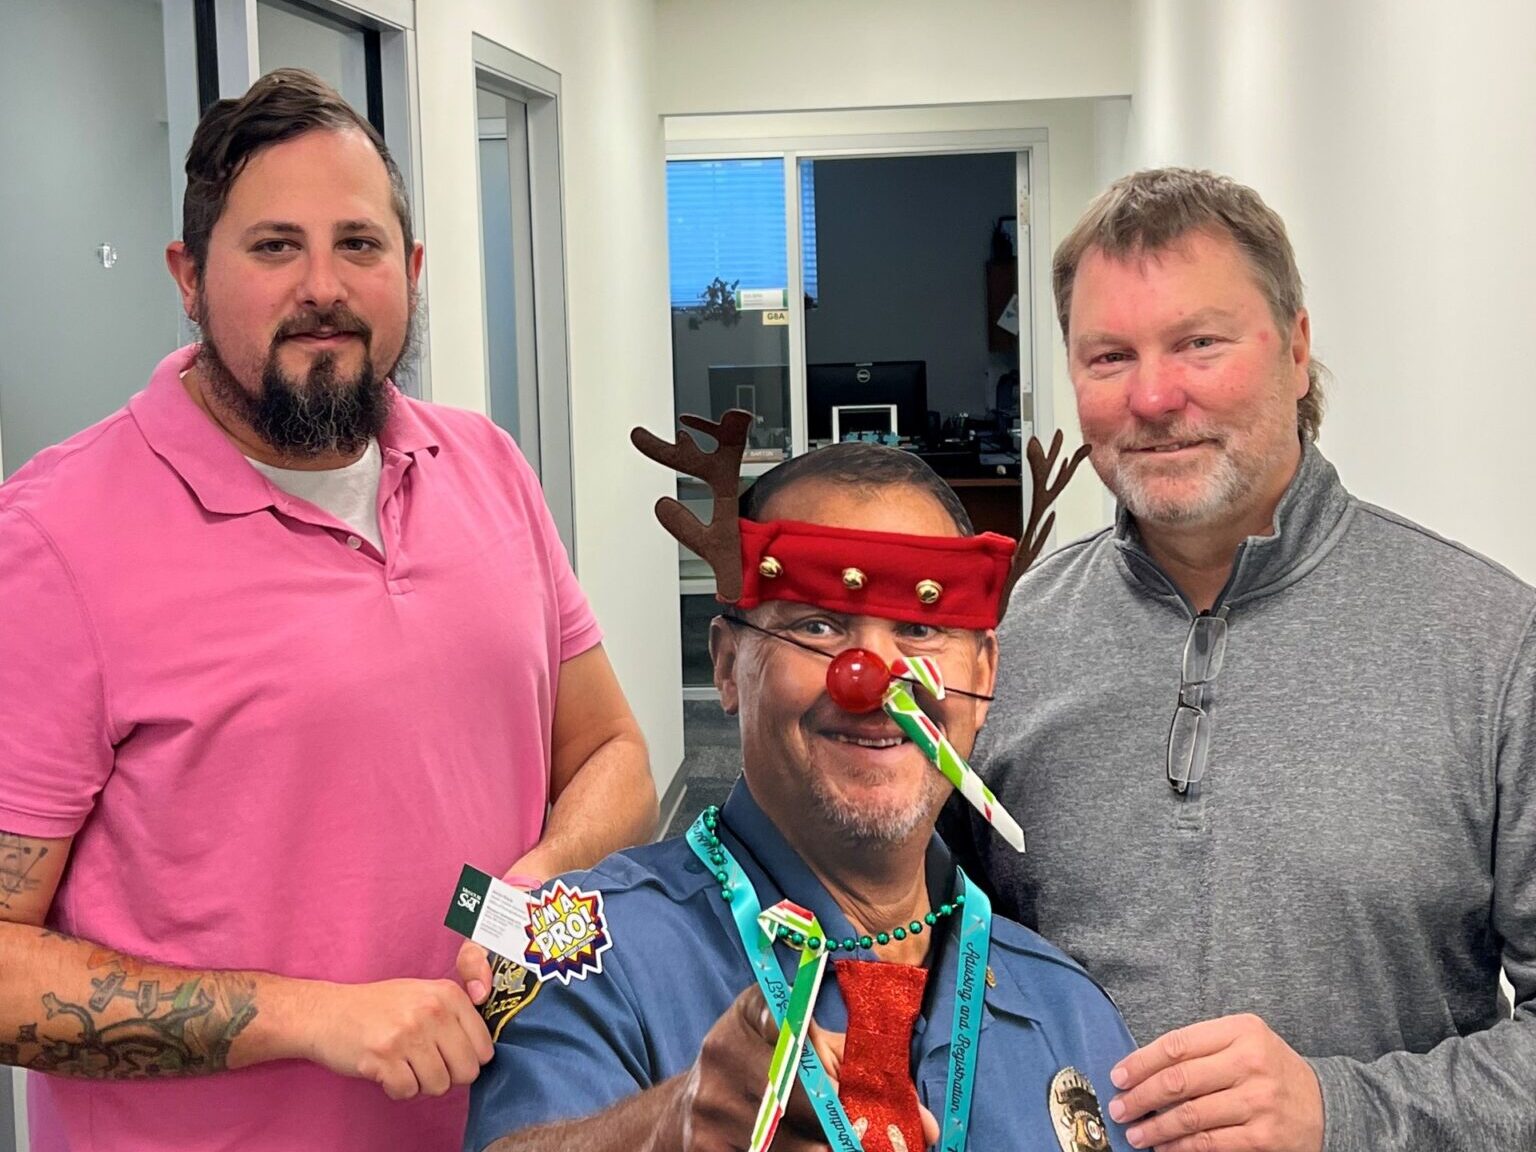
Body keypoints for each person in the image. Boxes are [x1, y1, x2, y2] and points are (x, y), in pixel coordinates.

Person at [0, 70, 656, 1151]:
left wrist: (541, 873)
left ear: (411, 270)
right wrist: (314, 1017)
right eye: (272, 247)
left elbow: (615, 755)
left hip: (514, 1127)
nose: (323, 287)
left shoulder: (486, 467)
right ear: (187, 276)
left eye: (358, 244)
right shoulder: (51, 539)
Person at [944, 167, 1536, 1152]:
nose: (1154, 395)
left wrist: (1341, 1111)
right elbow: (939, 964)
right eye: (1107, 357)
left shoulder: (1493, 647)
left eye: (1199, 343)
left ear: (1297, 350)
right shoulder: (1012, 644)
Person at [463, 417, 1137, 1152]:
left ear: (984, 672)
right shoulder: (583, 952)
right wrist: (660, 1133)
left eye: (920, 629)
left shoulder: (1071, 1010)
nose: (874, 680)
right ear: (727, 667)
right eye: (818, 626)